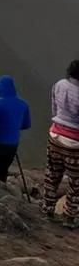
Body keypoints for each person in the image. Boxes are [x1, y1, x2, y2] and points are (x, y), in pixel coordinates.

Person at [43, 60, 79, 224]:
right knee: (76, 182)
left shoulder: (59, 85)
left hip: (55, 135)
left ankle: (47, 208)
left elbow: (54, 109)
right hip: (74, 143)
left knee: (52, 174)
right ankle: (69, 217)